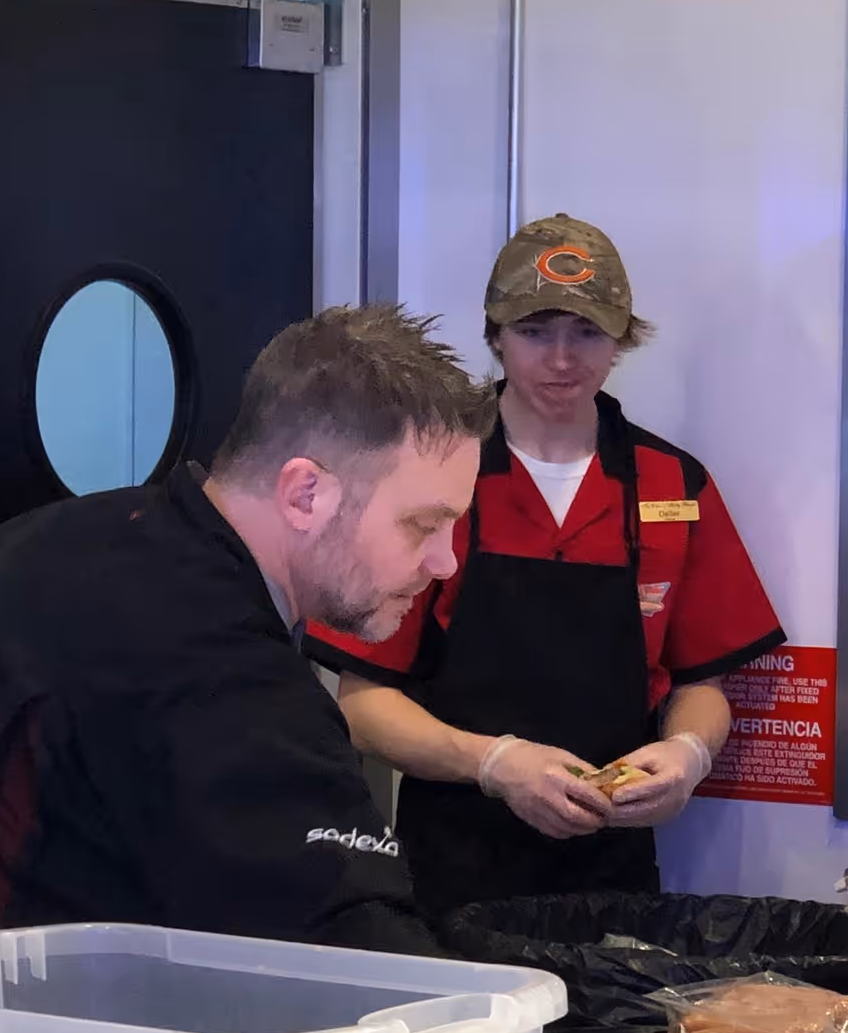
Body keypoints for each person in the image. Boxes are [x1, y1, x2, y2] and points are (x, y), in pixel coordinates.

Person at [0, 302, 763, 1033]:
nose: (445, 562)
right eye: (424, 525)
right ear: (306, 491)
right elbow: (345, 931)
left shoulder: (37, 549)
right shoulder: (211, 659)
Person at [305, 216, 786, 917]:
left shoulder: (671, 485)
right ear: (495, 334)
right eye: (536, 332)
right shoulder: (427, 477)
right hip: (452, 874)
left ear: (621, 340)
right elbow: (361, 703)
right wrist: (494, 764)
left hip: (614, 880)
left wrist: (689, 753)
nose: (562, 359)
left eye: (587, 333)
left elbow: (701, 680)